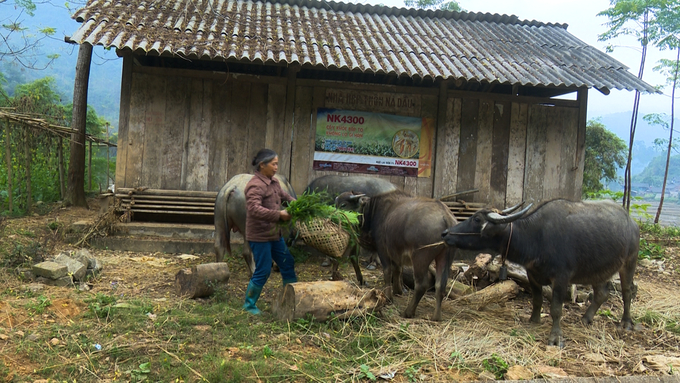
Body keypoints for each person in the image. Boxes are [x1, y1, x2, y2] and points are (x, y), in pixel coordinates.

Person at [243, 149, 298, 314]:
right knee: (264, 269)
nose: (276, 167)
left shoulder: (273, 182)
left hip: (274, 235)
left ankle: (291, 299)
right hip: (259, 236)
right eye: (273, 164)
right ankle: (249, 305)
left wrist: (298, 205)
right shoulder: (255, 185)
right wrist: (279, 215)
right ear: (262, 165)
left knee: (287, 263)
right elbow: (253, 209)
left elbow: (285, 197)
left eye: (277, 164)